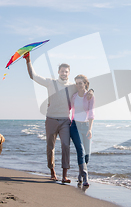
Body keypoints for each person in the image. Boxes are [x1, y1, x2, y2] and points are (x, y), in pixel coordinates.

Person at [24, 53, 93, 183]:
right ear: (58, 72)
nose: (64, 73)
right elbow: (33, 76)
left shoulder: (73, 86)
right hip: (51, 119)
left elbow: (84, 87)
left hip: (65, 121)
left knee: (66, 146)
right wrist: (28, 61)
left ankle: (64, 175)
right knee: (50, 146)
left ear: (69, 73)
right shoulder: (50, 83)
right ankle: (52, 172)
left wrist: (91, 91)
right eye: (62, 71)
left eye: (66, 72)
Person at [70, 74, 95, 186]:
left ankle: (80, 173)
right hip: (75, 126)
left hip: (86, 127)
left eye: (81, 83)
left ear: (85, 83)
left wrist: (90, 129)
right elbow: (68, 107)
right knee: (81, 151)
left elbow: (91, 113)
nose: (79, 85)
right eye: (77, 83)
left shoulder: (90, 96)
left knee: (87, 154)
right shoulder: (74, 96)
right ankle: (85, 176)